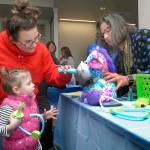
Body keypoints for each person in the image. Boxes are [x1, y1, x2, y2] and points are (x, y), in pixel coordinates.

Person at [0, 0, 71, 149]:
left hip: (31, 105)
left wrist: (64, 73)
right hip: (5, 109)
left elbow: (53, 74)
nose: (34, 45)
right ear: (12, 40)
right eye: (27, 42)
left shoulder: (40, 49)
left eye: (36, 38)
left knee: (32, 141)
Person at [0, 67, 59, 150]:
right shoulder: (8, 107)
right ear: (16, 89)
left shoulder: (30, 101)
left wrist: (43, 116)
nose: (33, 84)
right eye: (29, 83)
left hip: (34, 145)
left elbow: (29, 119)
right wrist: (12, 126)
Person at [96, 13, 150, 91]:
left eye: (108, 31)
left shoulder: (142, 36)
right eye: (103, 34)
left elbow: (126, 80)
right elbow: (122, 85)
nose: (105, 37)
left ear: (118, 27)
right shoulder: (119, 57)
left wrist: (128, 79)